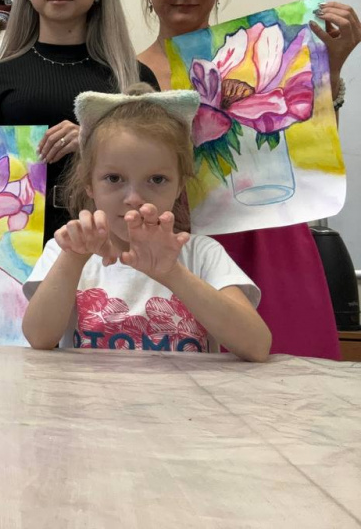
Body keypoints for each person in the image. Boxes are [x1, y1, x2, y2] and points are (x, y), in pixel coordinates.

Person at [137, 0, 361, 360]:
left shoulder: (258, 50)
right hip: (185, 248)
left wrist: (330, 69)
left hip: (270, 235)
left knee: (291, 370)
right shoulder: (129, 72)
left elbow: (306, 152)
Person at [23, 86, 272, 362]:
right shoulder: (65, 250)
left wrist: (173, 274)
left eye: (156, 180)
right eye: (114, 178)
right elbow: (39, 338)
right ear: (89, 183)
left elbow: (257, 346)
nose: (134, 198)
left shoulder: (201, 254)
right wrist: (73, 260)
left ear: (180, 185)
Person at [0, 0, 158, 243]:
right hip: (17, 251)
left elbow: (159, 173)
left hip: (115, 249)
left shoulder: (135, 78)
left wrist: (95, 141)